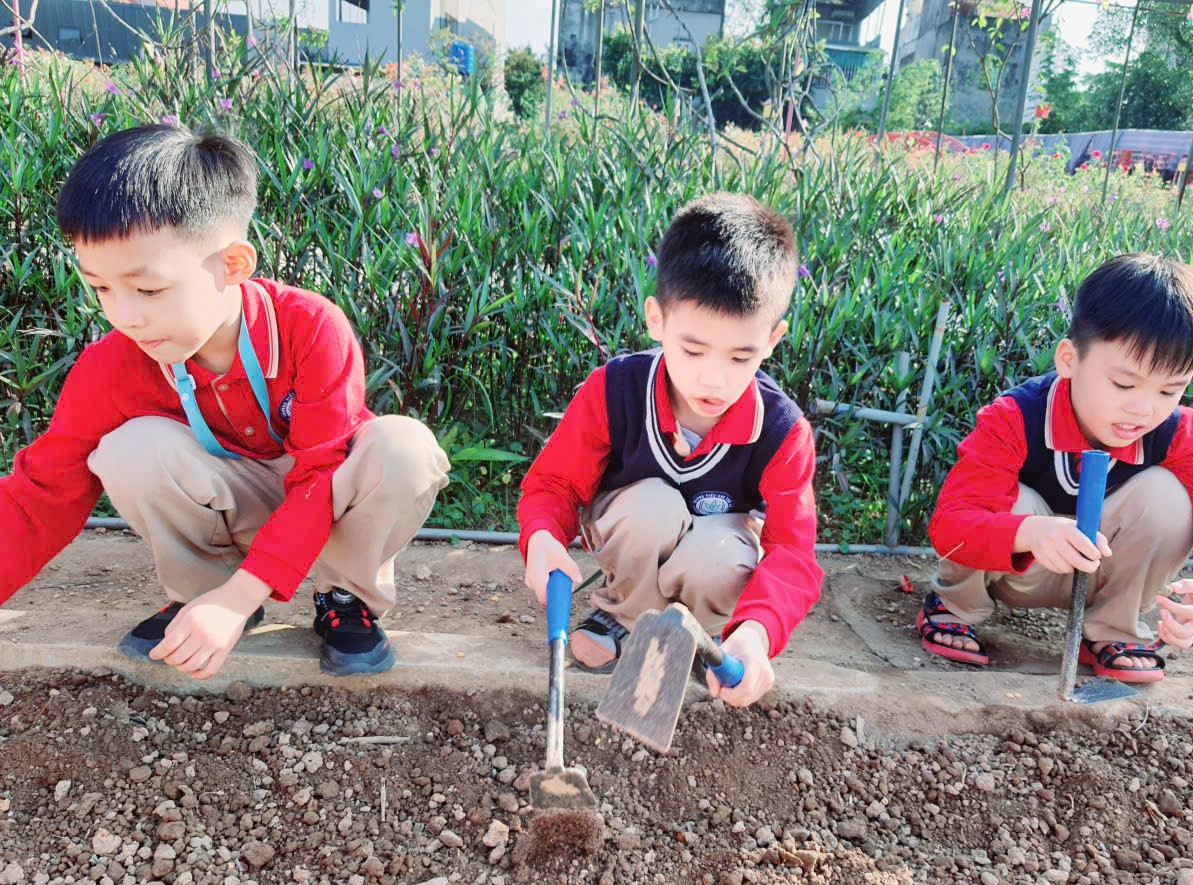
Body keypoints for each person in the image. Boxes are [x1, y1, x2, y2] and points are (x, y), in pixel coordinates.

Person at [0, 124, 451, 679]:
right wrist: (228, 598)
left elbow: (321, 474)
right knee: (129, 450)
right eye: (102, 288)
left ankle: (344, 598)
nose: (125, 316)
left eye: (148, 289)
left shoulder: (310, 327)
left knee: (404, 446)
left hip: (328, 503)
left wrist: (242, 596)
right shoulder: (113, 363)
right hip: (237, 503)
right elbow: (40, 494)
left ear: (233, 264)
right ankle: (203, 596)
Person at [518, 192, 823, 707]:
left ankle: (696, 634)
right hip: (633, 526)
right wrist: (543, 537)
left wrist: (757, 632)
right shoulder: (614, 389)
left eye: (740, 357)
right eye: (693, 349)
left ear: (772, 339)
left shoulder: (783, 430)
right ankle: (623, 615)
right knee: (652, 507)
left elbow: (793, 551)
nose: (714, 379)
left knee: (720, 556)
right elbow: (554, 484)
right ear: (656, 320)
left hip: (716, 553)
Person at [920, 253, 1193, 682]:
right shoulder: (1015, 417)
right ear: (1069, 358)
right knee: (1012, 501)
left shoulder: (1178, 433)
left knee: (1168, 497)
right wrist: (1030, 532)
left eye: (1169, 390)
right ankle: (955, 606)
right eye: (1123, 384)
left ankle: (1112, 631)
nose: (1143, 409)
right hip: (1017, 571)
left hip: (1102, 574)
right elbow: (951, 524)